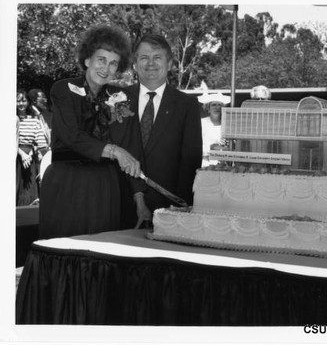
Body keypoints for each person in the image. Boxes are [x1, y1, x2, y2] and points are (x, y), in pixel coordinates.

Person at [39, 24, 146, 239]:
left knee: (100, 249)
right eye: (101, 59)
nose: (106, 68)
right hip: (66, 181)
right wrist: (114, 151)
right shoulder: (63, 89)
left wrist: (140, 200)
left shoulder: (122, 98)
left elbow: (131, 147)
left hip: (104, 186)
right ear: (87, 60)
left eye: (113, 63)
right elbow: (72, 136)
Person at [127, 34, 202, 225]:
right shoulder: (117, 99)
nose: (150, 63)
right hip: (119, 204)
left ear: (169, 64)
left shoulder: (187, 105)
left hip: (167, 209)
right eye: (144, 58)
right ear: (135, 64)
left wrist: (181, 207)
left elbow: (190, 161)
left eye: (157, 57)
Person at [16, 89, 48, 206]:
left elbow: (40, 142)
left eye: (23, 100)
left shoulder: (34, 120)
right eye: (18, 101)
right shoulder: (12, 119)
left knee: (30, 193)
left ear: (28, 102)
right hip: (16, 158)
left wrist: (32, 152)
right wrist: (22, 154)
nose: (21, 104)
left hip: (31, 159)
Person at [198, 93, 231, 167]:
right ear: (208, 108)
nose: (217, 107)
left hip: (224, 165)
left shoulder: (228, 124)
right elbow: (195, 146)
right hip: (205, 163)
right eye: (213, 105)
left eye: (219, 105)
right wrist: (211, 147)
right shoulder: (201, 123)